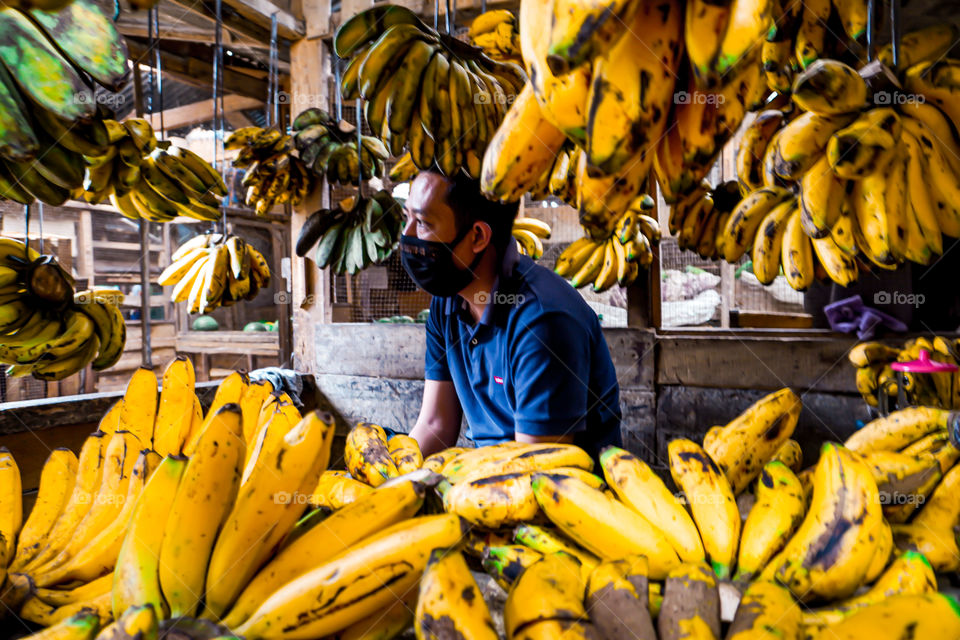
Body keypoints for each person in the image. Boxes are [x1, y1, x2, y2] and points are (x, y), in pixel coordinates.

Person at [401, 170, 622, 460]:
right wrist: (389, 477)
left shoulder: (543, 321)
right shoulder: (447, 306)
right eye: (407, 218)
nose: (407, 236)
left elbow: (535, 465)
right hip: (490, 476)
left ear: (478, 236)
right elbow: (435, 425)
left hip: (557, 489)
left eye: (423, 223)